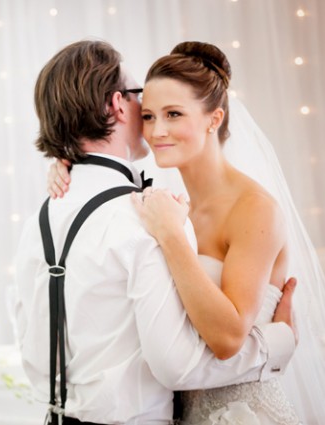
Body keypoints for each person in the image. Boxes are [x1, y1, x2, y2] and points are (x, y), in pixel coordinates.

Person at [15, 39, 298, 425]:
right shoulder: (152, 214)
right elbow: (175, 366)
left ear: (214, 119)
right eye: (146, 112)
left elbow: (31, 344)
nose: (156, 129)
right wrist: (278, 343)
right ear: (118, 104)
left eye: (173, 113)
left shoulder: (46, 215)